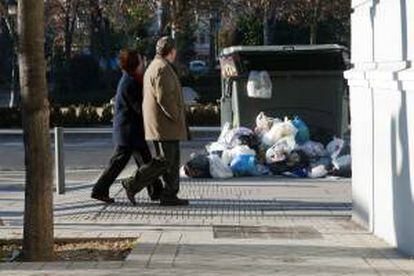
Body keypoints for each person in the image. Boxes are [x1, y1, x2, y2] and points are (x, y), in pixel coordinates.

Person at [91, 49, 166, 204]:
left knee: (142, 161)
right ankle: (100, 190)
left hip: (130, 131)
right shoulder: (130, 83)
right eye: (141, 60)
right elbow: (139, 107)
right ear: (135, 64)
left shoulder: (132, 80)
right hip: (129, 131)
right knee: (126, 163)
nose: (144, 62)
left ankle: (156, 191)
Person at [142, 36, 189, 206]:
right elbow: (165, 98)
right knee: (167, 161)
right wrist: (177, 115)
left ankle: (169, 194)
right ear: (171, 51)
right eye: (175, 50)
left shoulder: (155, 66)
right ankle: (134, 184)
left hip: (161, 125)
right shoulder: (162, 68)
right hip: (165, 125)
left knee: (166, 162)